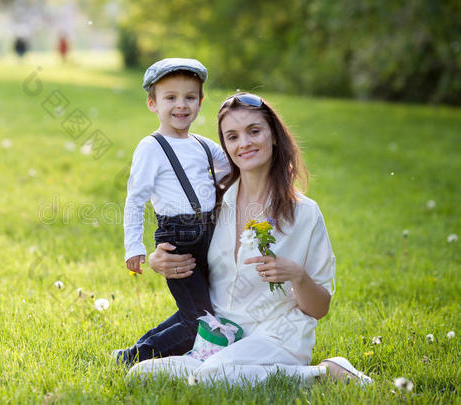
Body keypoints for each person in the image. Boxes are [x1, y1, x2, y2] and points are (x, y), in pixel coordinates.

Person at [127, 93, 372, 386]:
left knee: (212, 377)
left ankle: (323, 373)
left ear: (274, 136)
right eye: (232, 136)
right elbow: (182, 246)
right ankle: (219, 369)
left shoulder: (305, 214)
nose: (243, 143)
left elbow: (319, 308)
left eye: (254, 131)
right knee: (141, 375)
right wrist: (157, 259)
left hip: (279, 335)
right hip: (222, 334)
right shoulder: (214, 202)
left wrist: (297, 275)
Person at [115, 58, 230, 366]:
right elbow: (135, 199)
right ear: (152, 103)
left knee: (197, 309)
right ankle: (132, 358)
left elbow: (234, 170)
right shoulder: (151, 147)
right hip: (177, 238)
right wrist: (134, 247)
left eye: (190, 97)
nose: (181, 105)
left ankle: (140, 345)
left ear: (201, 101)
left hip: (208, 233)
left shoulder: (205, 146)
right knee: (199, 321)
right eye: (170, 98)